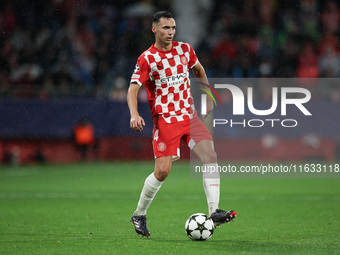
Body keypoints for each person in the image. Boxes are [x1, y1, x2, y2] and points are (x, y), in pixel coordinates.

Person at [127, 11, 236, 237]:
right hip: (166, 121)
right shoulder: (147, 58)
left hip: (189, 116)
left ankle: (214, 211)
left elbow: (199, 70)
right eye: (166, 28)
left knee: (210, 156)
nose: (170, 32)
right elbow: (133, 88)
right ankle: (139, 214)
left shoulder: (185, 50)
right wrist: (133, 114)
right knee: (163, 172)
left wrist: (207, 97)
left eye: (173, 28)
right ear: (154, 29)